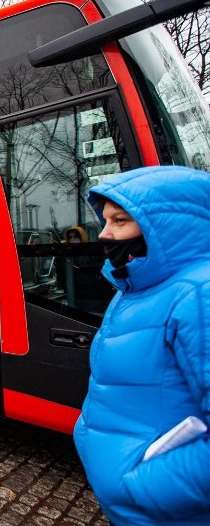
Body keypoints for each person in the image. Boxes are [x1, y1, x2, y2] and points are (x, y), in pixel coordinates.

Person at [73, 166, 210, 526]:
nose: (105, 234)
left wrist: (137, 486)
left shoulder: (199, 294)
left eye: (119, 221)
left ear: (165, 226)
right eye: (105, 221)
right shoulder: (135, 288)